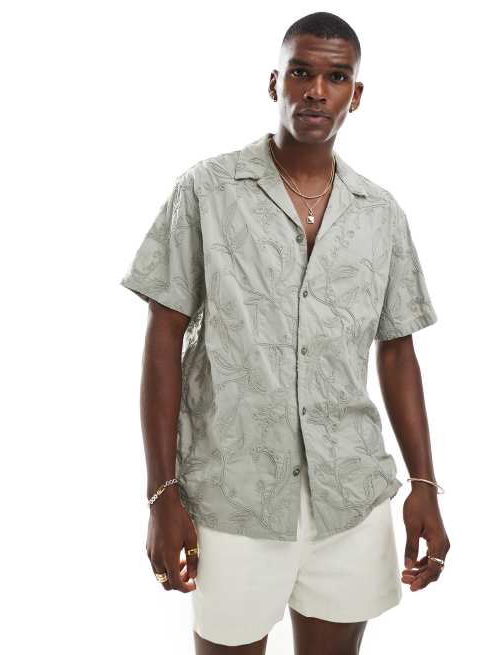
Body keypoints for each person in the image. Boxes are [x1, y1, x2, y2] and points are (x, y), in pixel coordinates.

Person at [120, 11, 450, 655]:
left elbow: (398, 351)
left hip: (350, 495)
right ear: (275, 82)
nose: (316, 91)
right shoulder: (207, 190)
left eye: (336, 77)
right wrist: (161, 492)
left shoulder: (380, 213)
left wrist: (425, 484)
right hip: (232, 494)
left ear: (357, 94)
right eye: (301, 72)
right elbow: (163, 339)